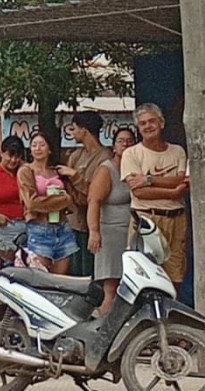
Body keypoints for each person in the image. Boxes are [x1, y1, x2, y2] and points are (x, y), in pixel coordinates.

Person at [121, 104, 189, 284]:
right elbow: (139, 192)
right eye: (142, 123)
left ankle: (168, 312)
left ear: (162, 123)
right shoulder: (131, 154)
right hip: (146, 219)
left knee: (175, 276)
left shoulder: (178, 151)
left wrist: (148, 179)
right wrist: (173, 193)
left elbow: (181, 180)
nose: (148, 126)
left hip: (176, 220)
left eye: (152, 121)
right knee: (144, 276)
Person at [18, 132, 78, 274]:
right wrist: (63, 200)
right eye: (34, 145)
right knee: (41, 278)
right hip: (39, 228)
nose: (38, 148)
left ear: (49, 149)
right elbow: (32, 203)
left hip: (62, 227)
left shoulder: (58, 171)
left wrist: (75, 176)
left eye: (42, 145)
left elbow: (74, 199)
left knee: (60, 280)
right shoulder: (26, 171)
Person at [85, 134, 132, 315]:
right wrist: (94, 231)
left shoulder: (135, 168)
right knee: (111, 289)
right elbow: (93, 201)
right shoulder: (106, 170)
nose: (125, 144)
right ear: (113, 147)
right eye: (121, 141)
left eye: (129, 141)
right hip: (111, 233)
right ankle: (102, 323)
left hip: (131, 233)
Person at [66, 113, 112, 271]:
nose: (72, 133)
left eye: (75, 129)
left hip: (94, 225)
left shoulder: (105, 157)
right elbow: (67, 188)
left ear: (84, 130)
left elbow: (96, 194)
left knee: (91, 270)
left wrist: (75, 177)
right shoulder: (75, 155)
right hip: (73, 223)